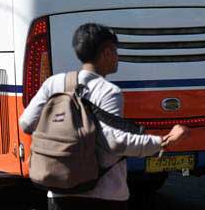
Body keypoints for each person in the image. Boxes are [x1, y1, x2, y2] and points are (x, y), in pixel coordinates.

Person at [19, 23, 189, 210]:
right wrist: (164, 142)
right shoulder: (108, 92)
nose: (117, 57)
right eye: (115, 51)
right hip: (104, 195)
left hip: (59, 191)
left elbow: (26, 123)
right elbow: (115, 142)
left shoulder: (54, 83)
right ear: (106, 53)